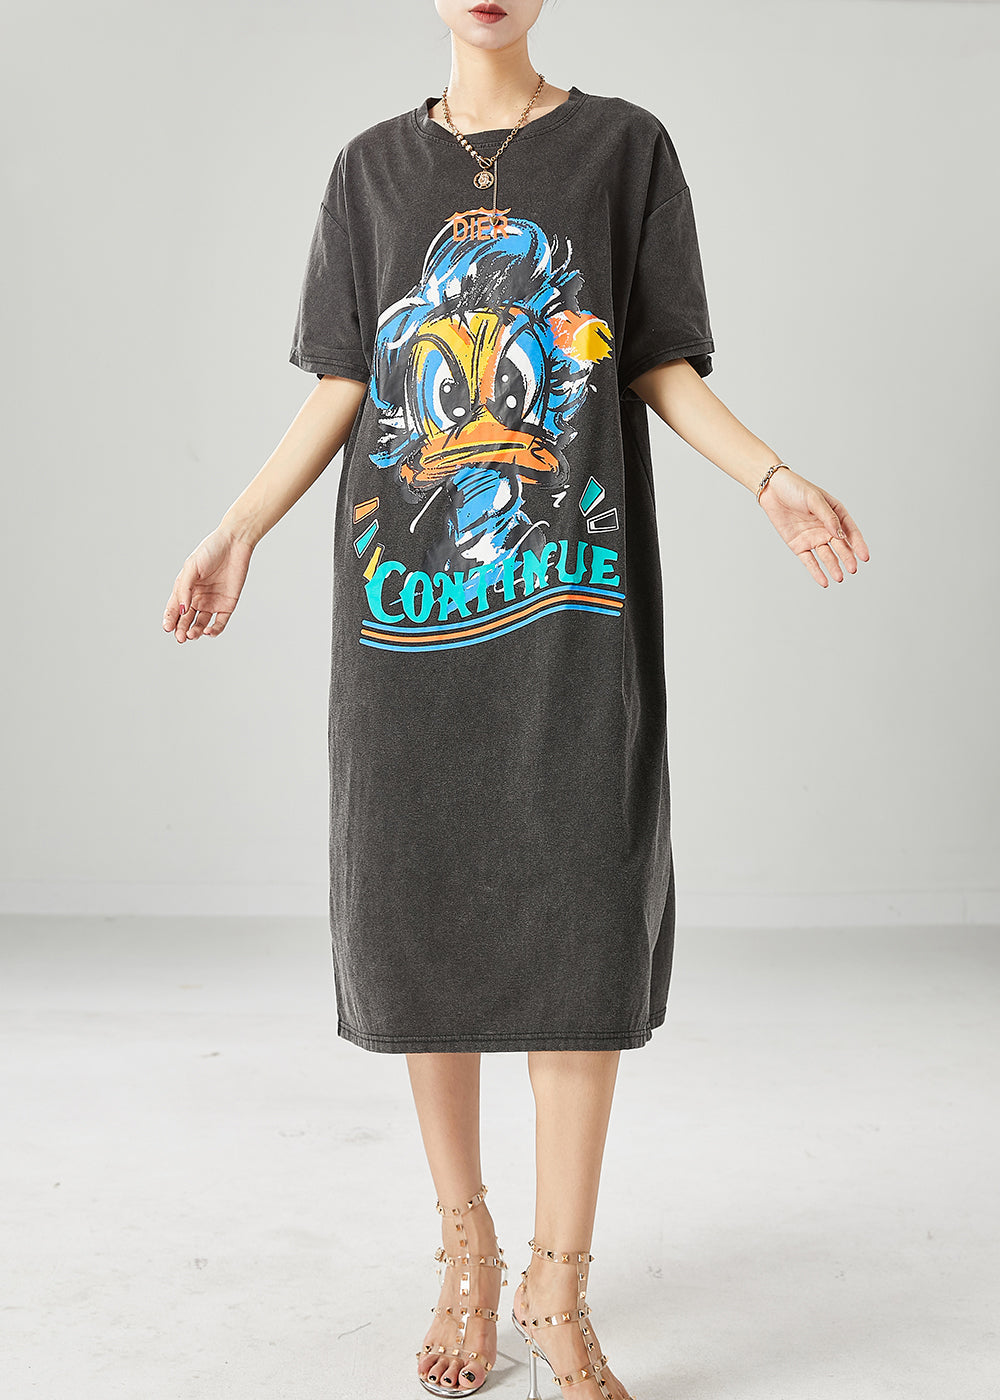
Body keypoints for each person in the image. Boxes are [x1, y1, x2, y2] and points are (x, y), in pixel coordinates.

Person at [161, 2, 870, 1396]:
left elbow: (655, 361)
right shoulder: (370, 170)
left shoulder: (623, 148)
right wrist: (238, 527)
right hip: (406, 621)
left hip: (570, 615)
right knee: (418, 913)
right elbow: (347, 382)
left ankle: (558, 1285)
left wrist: (771, 476)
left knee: (578, 922)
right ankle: (467, 1251)